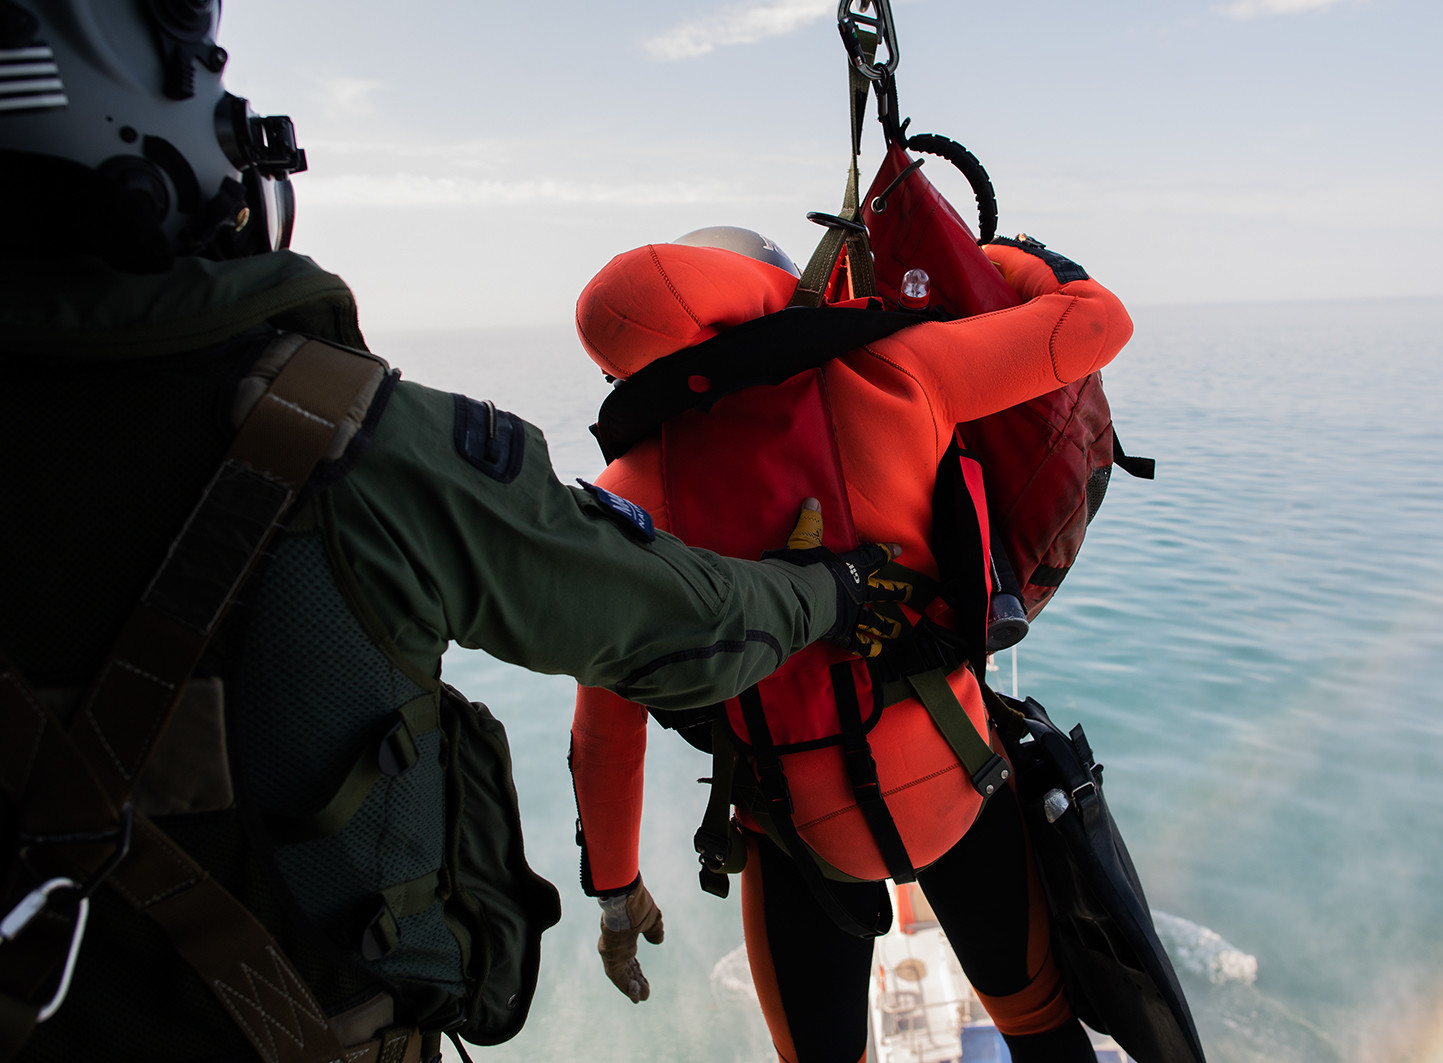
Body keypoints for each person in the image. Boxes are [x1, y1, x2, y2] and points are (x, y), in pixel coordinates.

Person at [0, 5, 899, 1061]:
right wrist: (831, 592)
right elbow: (674, 625)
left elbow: (606, 724)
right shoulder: (344, 442)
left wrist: (613, 883)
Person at [569, 226, 1135, 1062]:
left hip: (795, 831)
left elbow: (606, 734)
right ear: (768, 292)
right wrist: (1002, 253)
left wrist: (616, 891)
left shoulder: (623, 506)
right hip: (960, 783)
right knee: (1044, 1029)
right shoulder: (898, 372)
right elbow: (1098, 325)